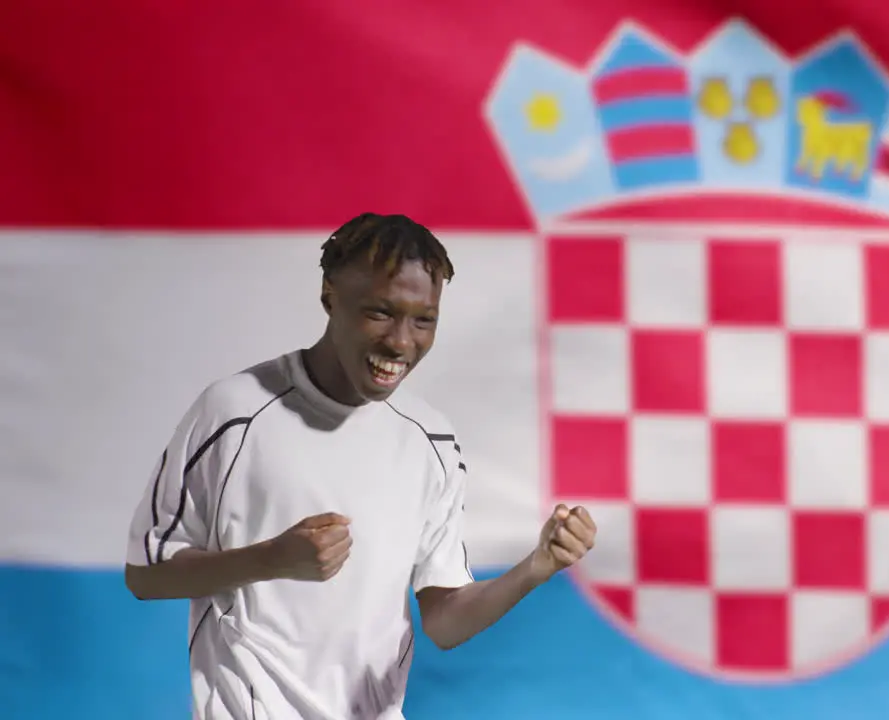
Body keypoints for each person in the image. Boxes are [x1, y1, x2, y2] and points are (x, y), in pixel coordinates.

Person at [123, 212, 597, 720]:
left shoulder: (430, 441)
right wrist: (271, 560)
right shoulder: (233, 413)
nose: (400, 341)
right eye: (380, 312)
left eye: (424, 319)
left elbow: (443, 621)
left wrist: (535, 568)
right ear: (330, 295)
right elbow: (147, 575)